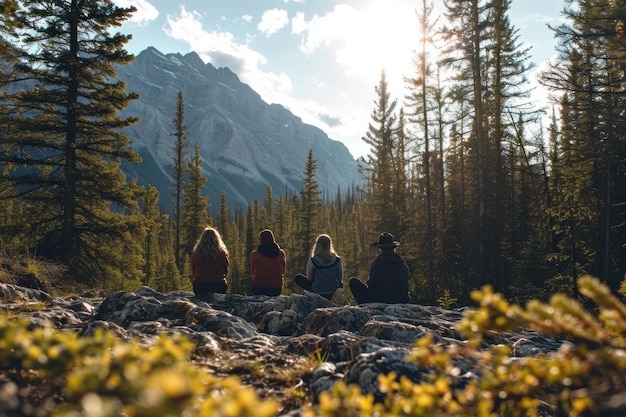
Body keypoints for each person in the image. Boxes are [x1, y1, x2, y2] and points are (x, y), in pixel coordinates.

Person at [349, 232, 410, 304]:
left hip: (380, 299)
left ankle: (363, 306)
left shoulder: (378, 262)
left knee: (353, 282)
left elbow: (371, 284)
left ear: (380, 248)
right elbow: (406, 283)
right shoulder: (402, 263)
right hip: (400, 300)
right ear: (393, 248)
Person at [295, 234, 343, 300]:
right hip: (333, 291)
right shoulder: (337, 260)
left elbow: (309, 278)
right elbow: (340, 277)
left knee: (298, 278)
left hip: (318, 291)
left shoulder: (313, 260)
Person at [190, 227, 230, 296]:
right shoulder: (222, 253)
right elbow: (226, 269)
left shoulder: (196, 253)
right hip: (217, 287)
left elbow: (193, 270)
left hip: (200, 287)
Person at [250, 229, 286, 296]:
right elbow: (283, 272)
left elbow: (253, 272)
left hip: (259, 289)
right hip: (276, 289)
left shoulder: (255, 254)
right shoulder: (281, 253)